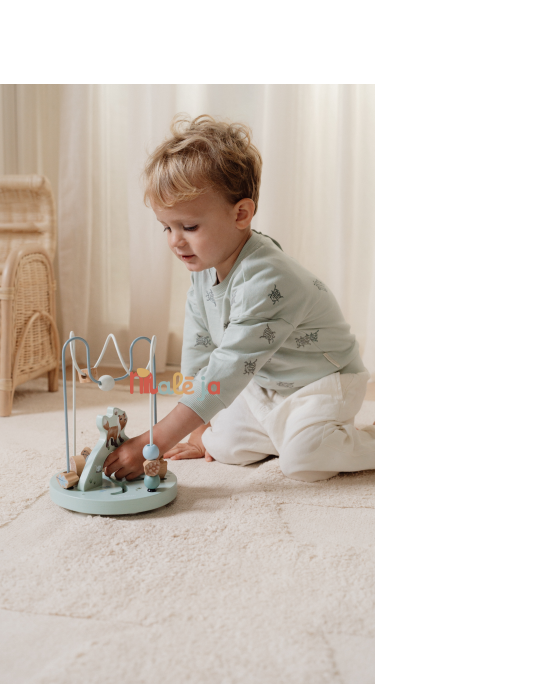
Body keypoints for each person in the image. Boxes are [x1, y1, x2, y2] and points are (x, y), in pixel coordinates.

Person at [103, 115, 373, 482]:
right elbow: (199, 351)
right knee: (222, 443)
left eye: (189, 226)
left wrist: (155, 439)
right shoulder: (203, 270)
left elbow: (229, 366)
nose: (175, 241)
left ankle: (353, 439)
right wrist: (198, 430)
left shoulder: (267, 278)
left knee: (304, 463)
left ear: (241, 214)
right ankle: (292, 431)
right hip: (267, 384)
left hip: (323, 383)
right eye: (167, 227)